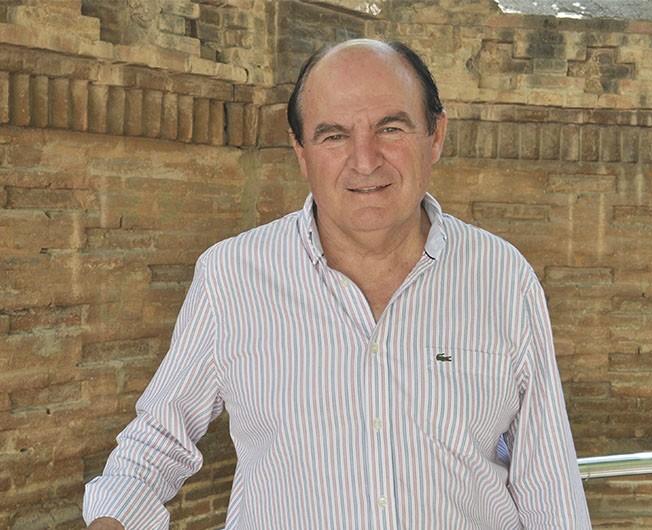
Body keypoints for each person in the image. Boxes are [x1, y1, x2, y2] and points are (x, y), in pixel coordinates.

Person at [84, 39, 592, 529]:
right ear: (301, 151)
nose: (365, 160)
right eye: (333, 136)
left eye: (390, 128)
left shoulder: (502, 277)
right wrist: (114, 518)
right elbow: (159, 437)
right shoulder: (232, 276)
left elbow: (546, 480)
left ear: (435, 135)